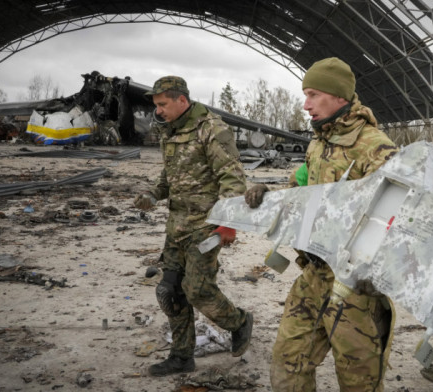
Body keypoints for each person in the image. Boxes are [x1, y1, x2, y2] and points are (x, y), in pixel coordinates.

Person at [245, 57, 398, 391]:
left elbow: (398, 220)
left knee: (359, 380)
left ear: (339, 96)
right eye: (305, 94)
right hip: (313, 275)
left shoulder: (376, 148)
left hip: (354, 287)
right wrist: (269, 195)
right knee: (289, 362)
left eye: (313, 94)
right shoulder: (318, 143)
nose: (305, 104)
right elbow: (301, 192)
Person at [135, 75, 253, 376]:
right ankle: (181, 356)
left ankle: (239, 321)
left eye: (163, 104)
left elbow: (233, 178)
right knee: (170, 291)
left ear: (182, 101)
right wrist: (153, 194)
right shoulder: (170, 132)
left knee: (198, 290)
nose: (158, 111)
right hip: (177, 226)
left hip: (206, 226)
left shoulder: (211, 129)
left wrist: (229, 224)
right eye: (157, 105)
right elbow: (170, 175)